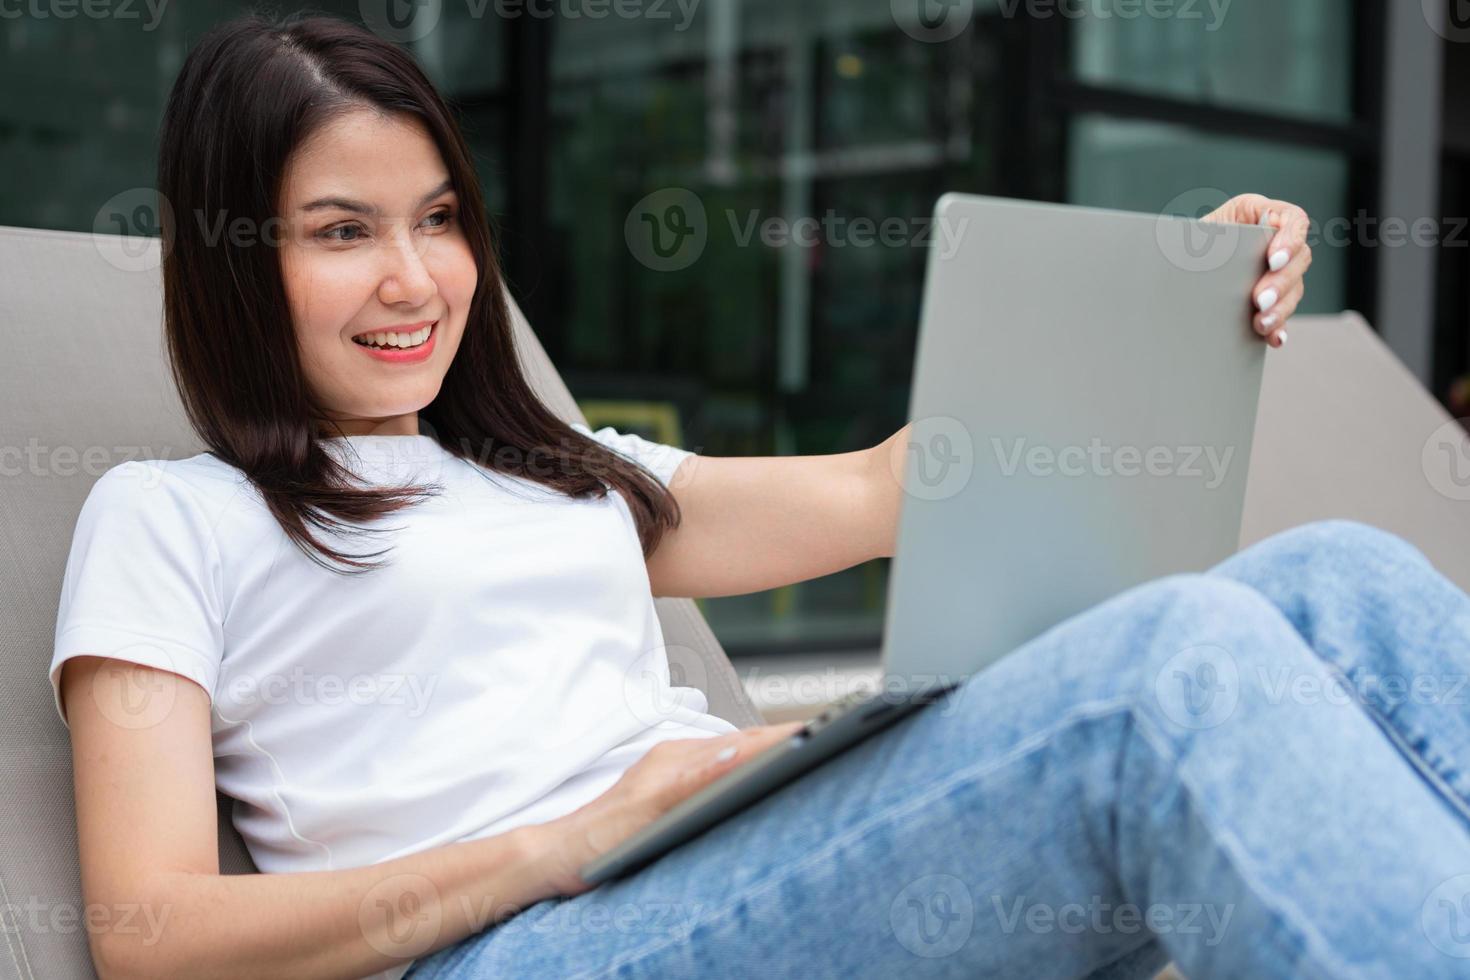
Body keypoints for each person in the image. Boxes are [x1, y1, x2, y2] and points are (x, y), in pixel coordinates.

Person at [51, 12, 1465, 980]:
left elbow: (901, 484)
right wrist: (568, 841)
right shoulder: (173, 519)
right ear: (236, 258)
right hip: (538, 940)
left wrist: (1177, 282)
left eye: (434, 221)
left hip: (727, 855)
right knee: (1175, 666)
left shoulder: (558, 467)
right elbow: (151, 931)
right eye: (340, 233)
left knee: (1337, 576)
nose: (414, 280)